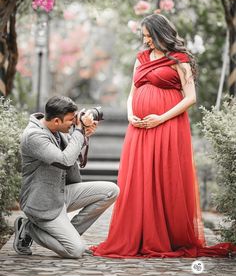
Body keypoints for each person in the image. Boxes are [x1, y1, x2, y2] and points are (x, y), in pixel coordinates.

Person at [92, 13, 236, 258]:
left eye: (149, 36)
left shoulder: (180, 60)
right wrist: (130, 114)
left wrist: (161, 117)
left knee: (165, 176)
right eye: (144, 36)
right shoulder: (141, 58)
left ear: (161, 34)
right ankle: (138, 233)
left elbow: (190, 97)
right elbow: (132, 92)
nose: (146, 40)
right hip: (139, 128)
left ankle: (165, 235)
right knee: (139, 177)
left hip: (168, 125)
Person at [13, 95, 119, 258]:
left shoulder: (57, 129)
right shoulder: (33, 136)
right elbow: (66, 160)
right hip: (42, 203)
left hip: (61, 193)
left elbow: (73, 150)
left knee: (111, 190)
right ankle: (28, 228)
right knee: (75, 251)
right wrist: (78, 131)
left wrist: (85, 133)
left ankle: (68, 236)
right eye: (71, 120)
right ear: (56, 121)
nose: (74, 123)